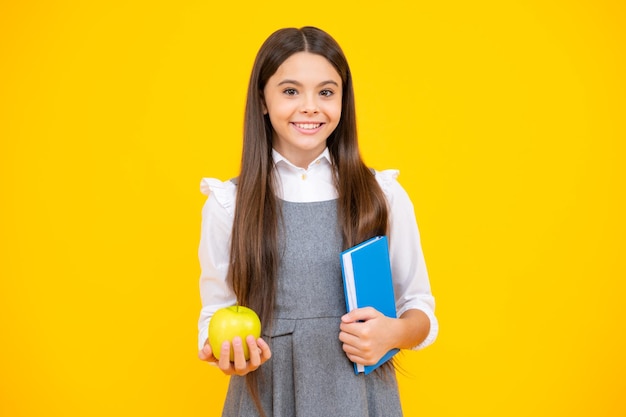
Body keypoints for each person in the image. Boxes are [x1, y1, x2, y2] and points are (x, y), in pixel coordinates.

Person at [197, 26, 438, 417]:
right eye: (290, 91)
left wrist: (393, 333)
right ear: (263, 99)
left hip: (360, 398)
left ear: (344, 100)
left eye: (326, 92)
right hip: (267, 394)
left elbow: (419, 307)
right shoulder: (229, 203)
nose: (310, 106)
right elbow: (216, 311)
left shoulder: (382, 195)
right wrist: (225, 352)